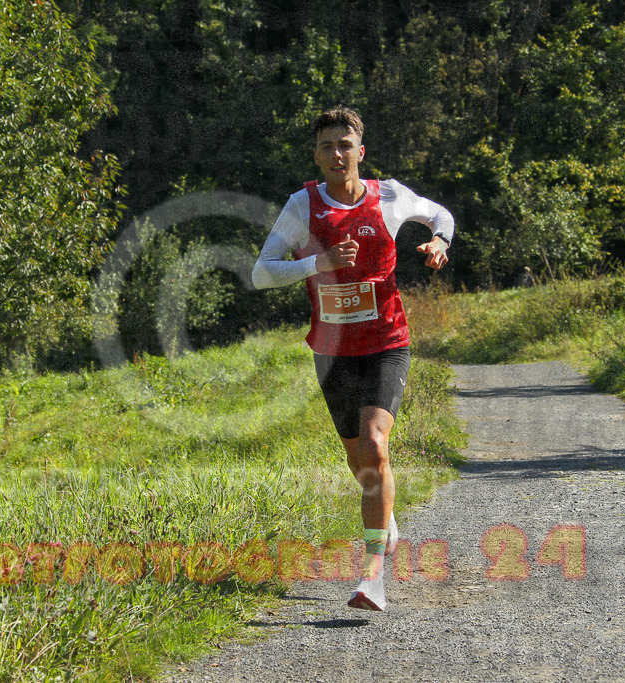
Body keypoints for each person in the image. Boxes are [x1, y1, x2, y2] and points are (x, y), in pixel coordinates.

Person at [252, 106, 453, 612]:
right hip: (332, 351)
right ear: (316, 156)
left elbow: (439, 213)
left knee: (374, 444)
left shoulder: (388, 196)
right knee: (358, 458)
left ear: (360, 153)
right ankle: (387, 520)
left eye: (346, 145)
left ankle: (373, 578)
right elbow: (261, 272)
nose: (337, 154)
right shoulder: (303, 206)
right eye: (327, 146)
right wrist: (316, 263)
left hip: (387, 341)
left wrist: (438, 241)